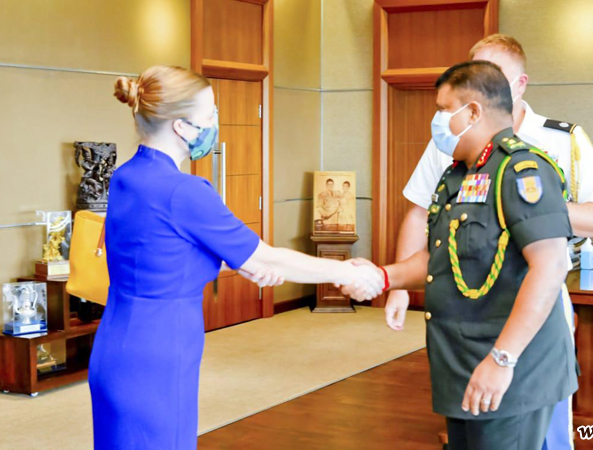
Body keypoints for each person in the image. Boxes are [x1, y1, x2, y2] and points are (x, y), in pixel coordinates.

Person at [89, 65, 384, 449]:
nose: (216, 122)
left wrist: (241, 261)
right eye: (210, 113)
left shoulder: (126, 177)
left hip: (115, 345)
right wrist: (346, 271)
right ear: (182, 127)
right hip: (159, 352)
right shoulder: (185, 191)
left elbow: (160, 249)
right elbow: (268, 259)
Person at [384, 34, 593, 450]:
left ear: (519, 83)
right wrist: (395, 284)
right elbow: (421, 212)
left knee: (541, 427)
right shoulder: (454, 137)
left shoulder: (559, 139)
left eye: (493, 73)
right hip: (465, 311)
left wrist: (526, 212)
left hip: (532, 303)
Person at [347, 61, 577, 449]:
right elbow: (442, 260)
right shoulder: (457, 175)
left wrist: (502, 359)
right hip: (462, 362)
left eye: (443, 109)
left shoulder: (521, 171)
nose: (437, 120)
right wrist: (384, 277)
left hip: (512, 368)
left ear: (472, 112)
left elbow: (550, 266)